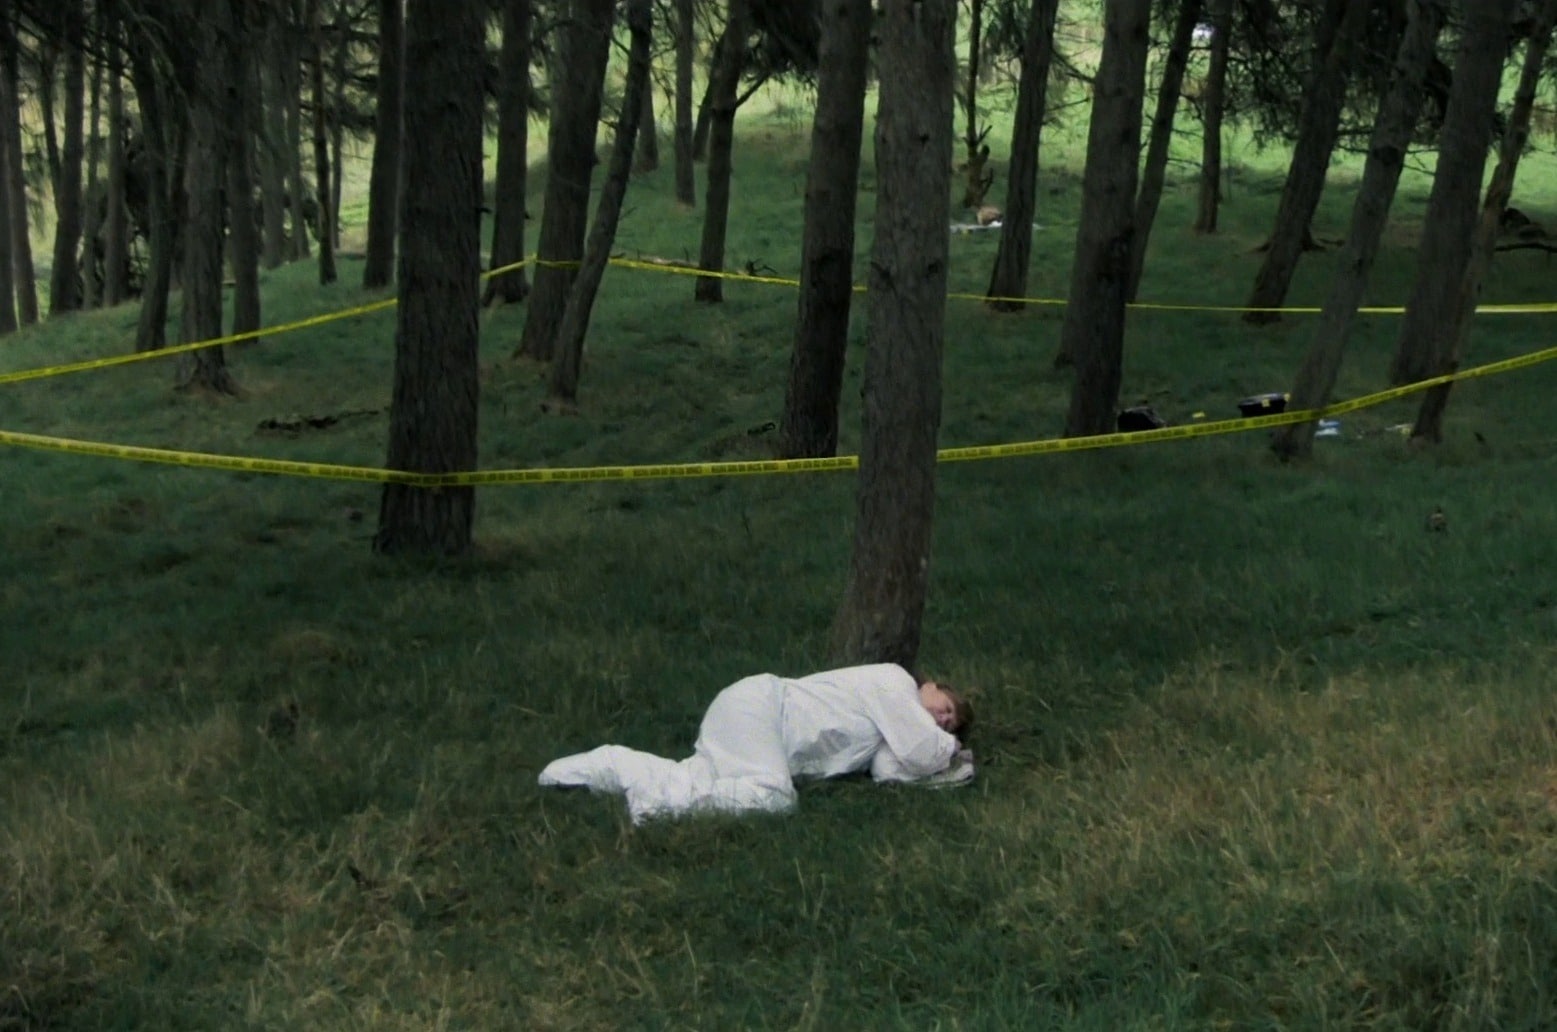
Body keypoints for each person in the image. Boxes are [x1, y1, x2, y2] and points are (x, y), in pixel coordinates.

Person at [538, 663, 975, 824]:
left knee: (691, 773)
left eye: (949, 725)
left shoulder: (892, 729)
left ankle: (591, 768)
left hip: (753, 724)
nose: (941, 720)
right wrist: (952, 753)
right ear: (931, 684)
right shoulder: (894, 680)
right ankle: (657, 805)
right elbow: (921, 754)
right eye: (946, 708)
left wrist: (946, 760)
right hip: (761, 708)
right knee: (774, 799)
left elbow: (891, 771)